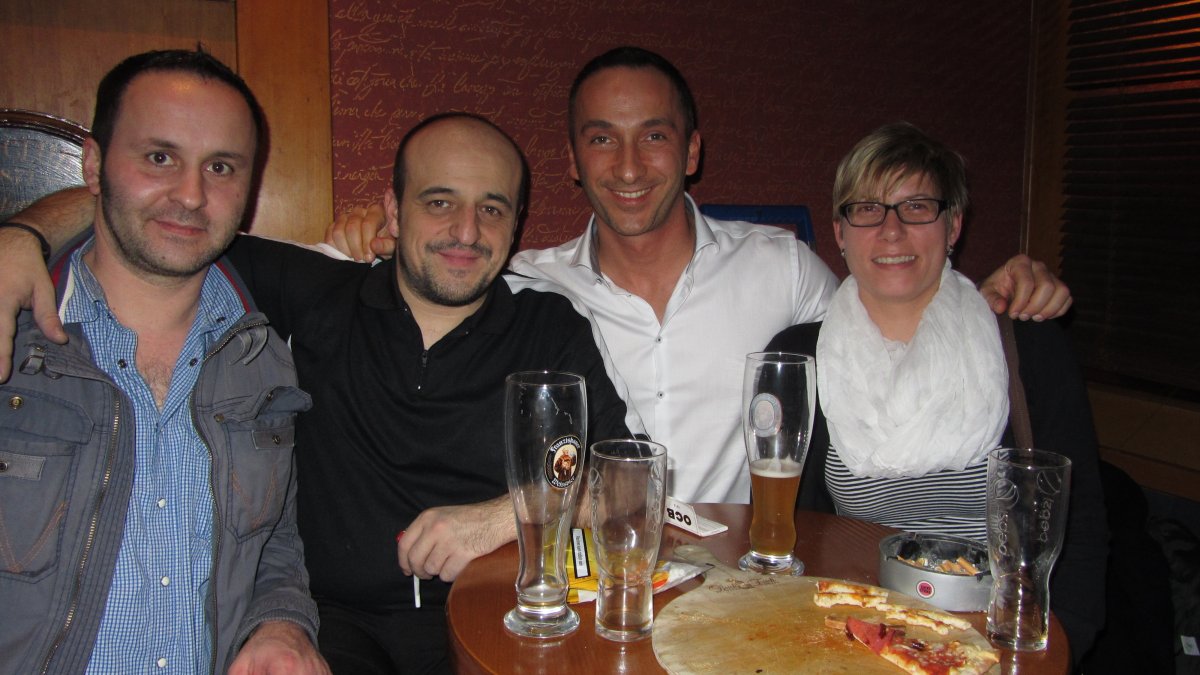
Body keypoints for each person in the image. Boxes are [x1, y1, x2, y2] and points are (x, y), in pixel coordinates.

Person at [0, 112, 633, 674]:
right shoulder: (314, 292)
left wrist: (501, 516)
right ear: (394, 211)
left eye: (492, 209)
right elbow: (163, 211)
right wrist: (22, 235)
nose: (466, 231)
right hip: (333, 626)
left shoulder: (550, 325)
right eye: (439, 201)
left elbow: (626, 484)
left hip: (499, 612)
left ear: (517, 222)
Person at [322, 46, 1073, 506]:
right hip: (599, 580)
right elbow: (420, 282)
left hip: (743, 584)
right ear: (573, 161)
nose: (628, 166)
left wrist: (993, 290)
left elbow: (887, 307)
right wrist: (363, 245)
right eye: (601, 140)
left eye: (653, 135)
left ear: (691, 151)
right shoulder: (523, 284)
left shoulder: (780, 265)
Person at [0, 49, 327, 674]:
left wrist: (281, 623)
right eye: (159, 157)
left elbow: (272, 544)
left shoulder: (262, 359)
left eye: (220, 167)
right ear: (93, 165)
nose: (191, 195)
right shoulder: (14, 339)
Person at [767, 122, 1106, 661]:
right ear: (839, 231)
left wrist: (1051, 651)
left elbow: (1079, 525)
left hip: (995, 636)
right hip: (852, 632)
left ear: (953, 225)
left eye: (917, 207)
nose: (892, 231)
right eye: (867, 209)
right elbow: (789, 532)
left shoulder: (1027, 344)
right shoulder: (797, 356)